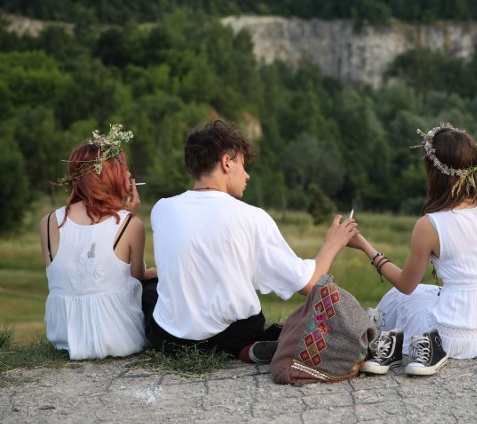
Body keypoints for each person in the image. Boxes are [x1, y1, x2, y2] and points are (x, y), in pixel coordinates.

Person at [147, 120, 359, 362]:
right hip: (232, 335)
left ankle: (244, 346)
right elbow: (308, 284)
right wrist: (333, 243)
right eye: (243, 165)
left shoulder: (161, 209)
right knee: (262, 316)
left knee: (149, 291)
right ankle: (250, 347)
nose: (247, 176)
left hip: (168, 339)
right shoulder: (252, 217)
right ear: (227, 162)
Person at [348, 123, 477, 376]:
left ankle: (393, 344)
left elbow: (406, 285)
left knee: (399, 298)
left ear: (434, 172)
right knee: (429, 292)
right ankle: (395, 344)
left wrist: (365, 247)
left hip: (455, 336)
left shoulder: (430, 225)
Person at [40, 124, 156, 360]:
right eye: (124, 170)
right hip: (119, 338)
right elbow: (135, 277)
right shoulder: (130, 224)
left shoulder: (49, 221)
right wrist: (128, 216)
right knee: (154, 284)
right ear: (111, 176)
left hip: (64, 337)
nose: (130, 176)